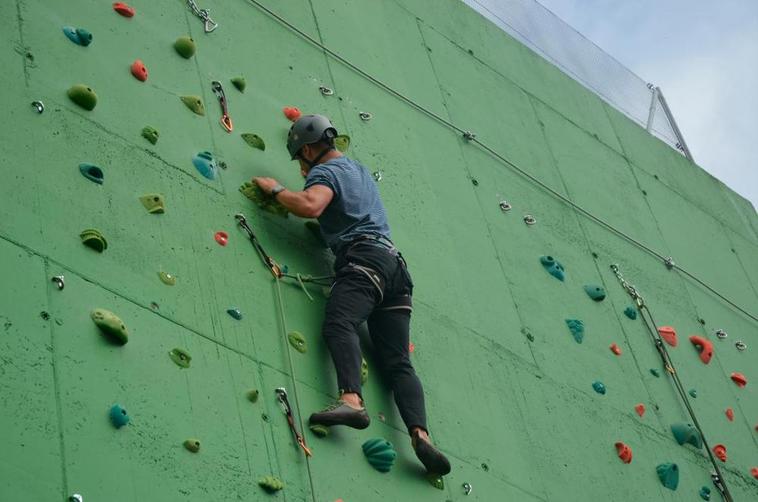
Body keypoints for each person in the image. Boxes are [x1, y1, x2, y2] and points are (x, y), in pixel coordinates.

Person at [252, 114, 451, 476]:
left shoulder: (324, 174)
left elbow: (312, 205)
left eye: (299, 157)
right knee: (398, 362)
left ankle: (351, 401)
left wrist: (275, 190)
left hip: (364, 260)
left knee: (339, 321)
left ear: (310, 149)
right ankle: (421, 435)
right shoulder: (356, 170)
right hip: (396, 270)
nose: (300, 166)